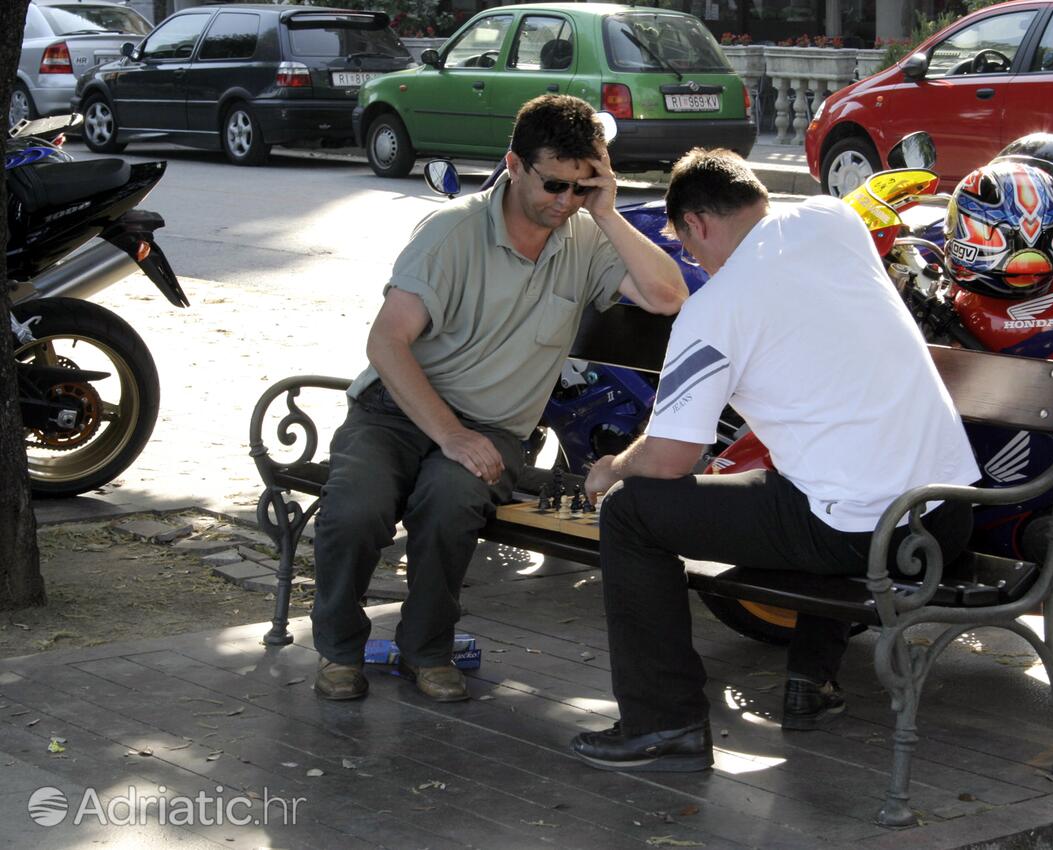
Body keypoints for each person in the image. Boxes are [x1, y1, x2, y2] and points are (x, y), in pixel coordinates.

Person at [570, 148, 981, 772]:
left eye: (685, 247)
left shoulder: (715, 309)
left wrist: (610, 467)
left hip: (865, 535)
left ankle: (664, 723)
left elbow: (669, 463)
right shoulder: (833, 221)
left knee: (630, 513)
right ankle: (808, 681)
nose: (693, 261)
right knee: (811, 474)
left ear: (697, 225)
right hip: (948, 514)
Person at [310, 95, 687, 702]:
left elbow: (668, 297)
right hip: (398, 412)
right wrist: (449, 435)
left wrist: (608, 211)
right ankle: (338, 649)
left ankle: (425, 649)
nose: (565, 202)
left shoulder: (585, 236)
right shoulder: (452, 231)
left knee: (451, 500)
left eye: (580, 187)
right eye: (554, 184)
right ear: (513, 164)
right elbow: (386, 342)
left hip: (496, 430)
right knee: (357, 508)